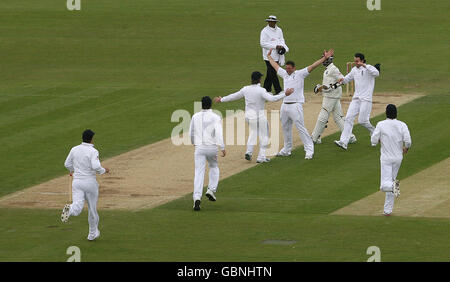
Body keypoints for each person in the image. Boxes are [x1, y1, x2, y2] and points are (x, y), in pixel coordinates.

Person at [267, 48, 335, 159]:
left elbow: (313, 66)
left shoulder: (300, 74)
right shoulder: (284, 74)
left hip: (296, 105)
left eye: (289, 69)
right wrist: (269, 56)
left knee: (301, 128)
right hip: (285, 105)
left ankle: (309, 150)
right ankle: (286, 149)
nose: (287, 70)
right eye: (287, 68)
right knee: (285, 128)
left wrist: (324, 58)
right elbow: (275, 66)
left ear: (294, 68)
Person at [214, 71, 294, 163]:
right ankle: (261, 157)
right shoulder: (261, 90)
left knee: (254, 132)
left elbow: (234, 96)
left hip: (248, 116)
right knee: (265, 136)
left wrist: (222, 99)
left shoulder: (245, 89)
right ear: (259, 79)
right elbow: (273, 99)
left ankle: (249, 151)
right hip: (259, 117)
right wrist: (285, 94)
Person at [61, 129, 110, 241]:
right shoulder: (93, 151)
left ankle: (70, 210)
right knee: (92, 209)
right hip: (90, 183)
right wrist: (104, 170)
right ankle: (92, 234)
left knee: (77, 206)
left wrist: (72, 171)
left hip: (77, 182)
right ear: (91, 139)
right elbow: (96, 167)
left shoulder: (74, 149)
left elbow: (67, 164)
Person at [371, 104, 411, 216]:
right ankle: (387, 210)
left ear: (386, 113)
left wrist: (379, 140)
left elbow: (373, 140)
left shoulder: (381, 124)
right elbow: (408, 140)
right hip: (398, 158)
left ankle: (394, 186)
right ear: (396, 113)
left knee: (384, 186)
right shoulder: (402, 125)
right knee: (390, 181)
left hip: (386, 159)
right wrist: (406, 148)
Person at [334, 53, 380, 150]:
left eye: (357, 61)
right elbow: (347, 79)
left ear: (363, 60)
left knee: (362, 121)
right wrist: (341, 80)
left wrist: (364, 65)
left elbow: (376, 73)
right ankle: (343, 142)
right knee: (348, 119)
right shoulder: (354, 70)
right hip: (356, 98)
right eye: (355, 61)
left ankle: (375, 132)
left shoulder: (368, 68)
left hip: (366, 99)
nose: (356, 63)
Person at [189, 96, 226, 211]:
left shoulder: (195, 116)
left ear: (201, 105)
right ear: (210, 105)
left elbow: (191, 132)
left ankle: (196, 198)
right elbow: (219, 133)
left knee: (198, 172)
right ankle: (211, 190)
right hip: (212, 148)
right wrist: (222, 147)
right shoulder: (215, 117)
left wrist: (194, 143)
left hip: (199, 147)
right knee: (214, 166)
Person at [311, 55, 357, 144]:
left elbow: (342, 80)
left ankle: (314, 138)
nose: (322, 61)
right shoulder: (328, 69)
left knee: (323, 115)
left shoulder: (334, 69)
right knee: (338, 118)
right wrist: (321, 87)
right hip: (331, 96)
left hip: (331, 96)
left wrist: (331, 87)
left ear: (328, 60)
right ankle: (350, 136)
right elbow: (328, 83)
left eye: (324, 59)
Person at [260, 15, 289, 94]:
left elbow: (282, 40)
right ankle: (278, 90)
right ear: (268, 22)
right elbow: (262, 44)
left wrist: (284, 48)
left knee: (270, 73)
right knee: (273, 72)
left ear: (275, 22)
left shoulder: (279, 30)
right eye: (270, 21)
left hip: (277, 55)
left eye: (273, 22)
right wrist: (275, 46)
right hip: (268, 56)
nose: (271, 23)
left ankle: (266, 90)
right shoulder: (264, 31)